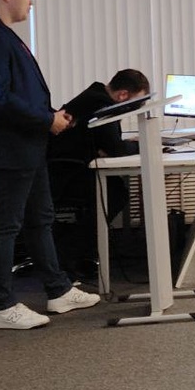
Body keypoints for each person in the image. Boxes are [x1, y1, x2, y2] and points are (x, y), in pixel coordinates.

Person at [0, 0, 101, 330]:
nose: (30, 0)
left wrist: (50, 117)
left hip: (26, 146)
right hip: (5, 148)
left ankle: (58, 290)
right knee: (6, 226)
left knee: (41, 219)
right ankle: (2, 306)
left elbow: (17, 92)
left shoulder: (1, 33)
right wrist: (46, 119)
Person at [47, 69, 151, 274]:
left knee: (116, 189)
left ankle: (75, 248)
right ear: (123, 95)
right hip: (65, 173)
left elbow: (110, 145)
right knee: (116, 194)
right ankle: (67, 251)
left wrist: (114, 146)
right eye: (136, 102)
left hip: (65, 166)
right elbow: (115, 148)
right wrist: (141, 144)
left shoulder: (96, 96)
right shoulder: (101, 104)